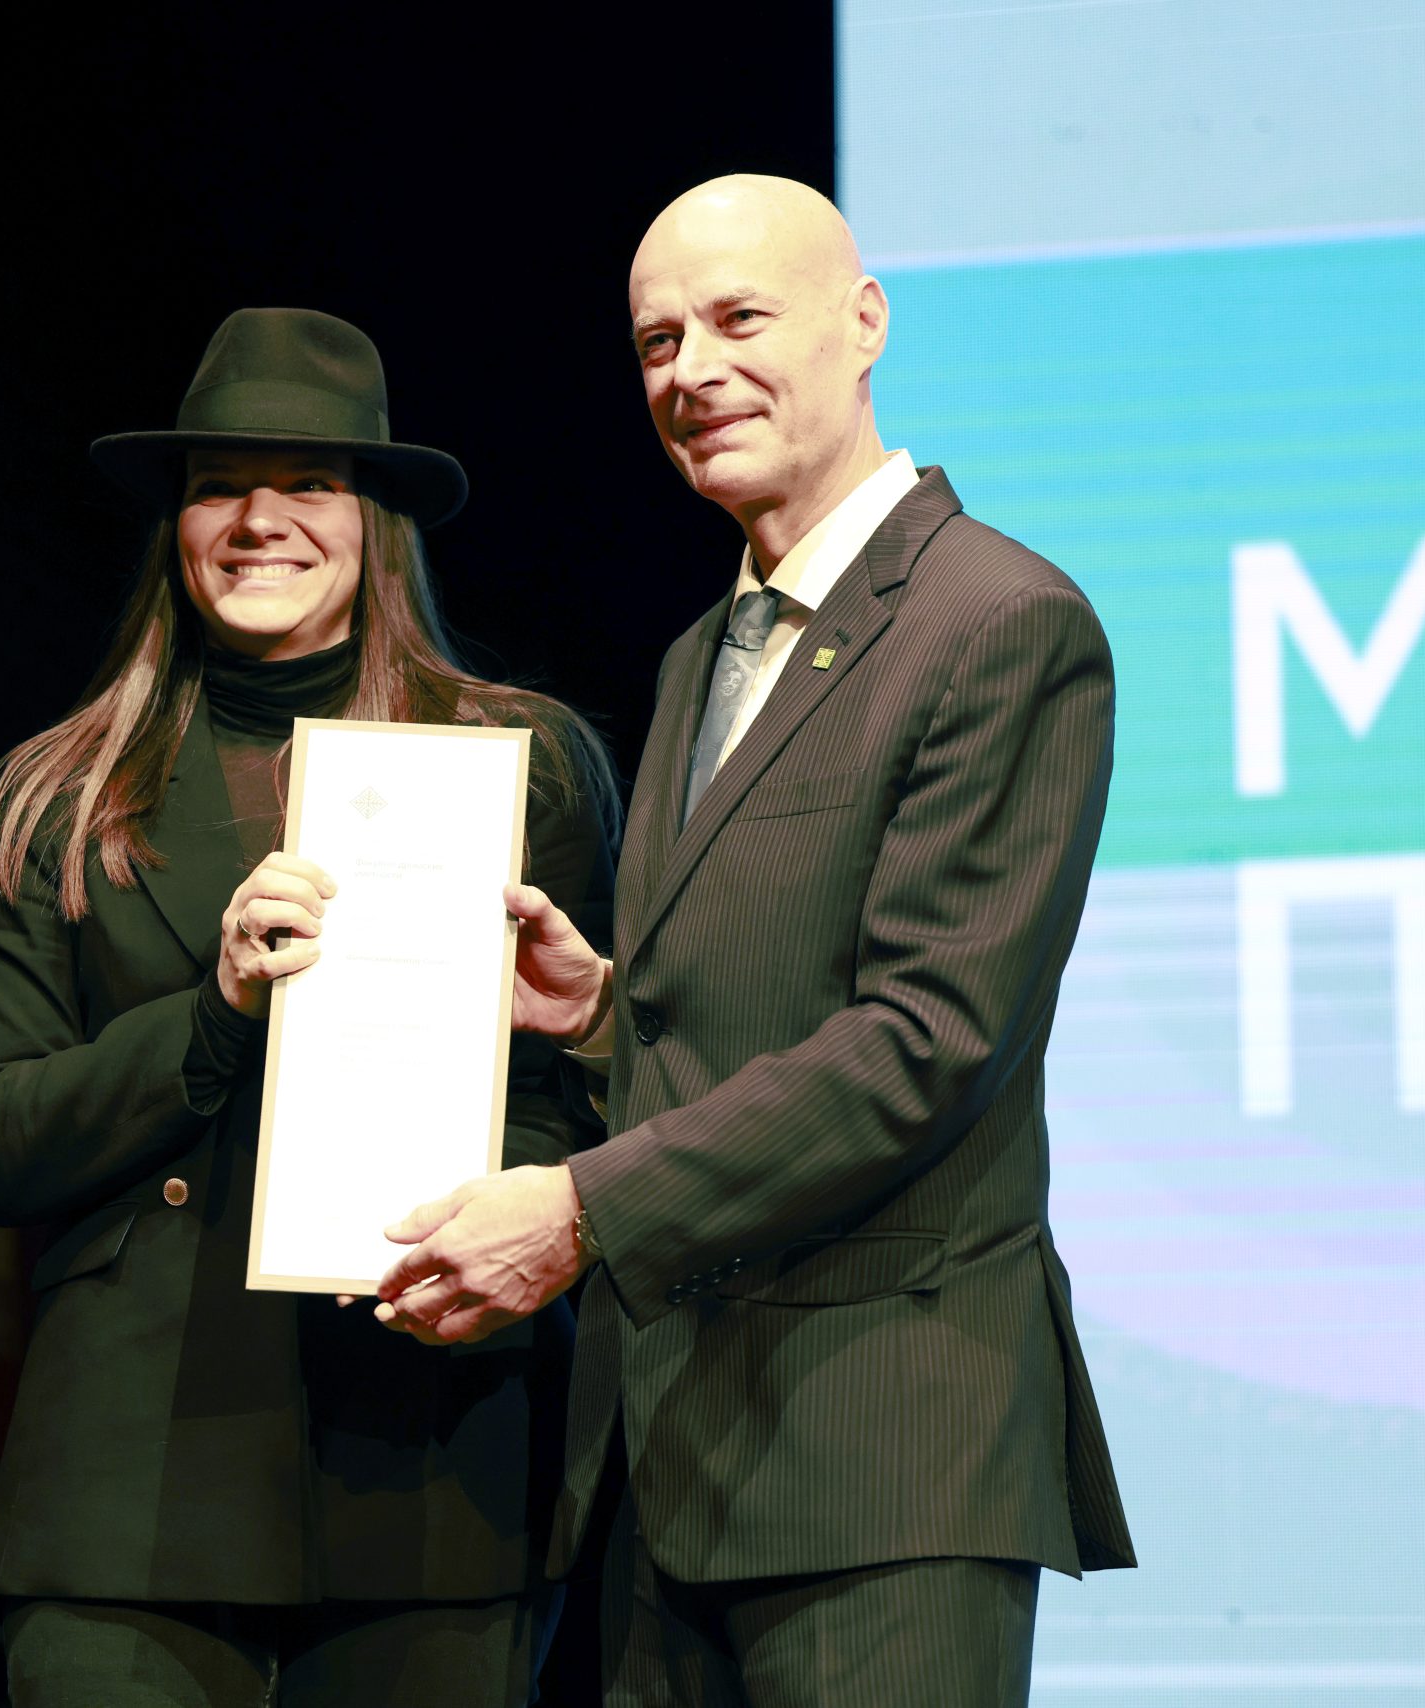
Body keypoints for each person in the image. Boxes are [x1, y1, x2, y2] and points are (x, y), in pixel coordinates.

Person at [367, 177, 1138, 1704]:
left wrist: (579, 1210)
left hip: (883, 1465)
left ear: (865, 323)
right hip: (674, 1463)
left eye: (738, 319)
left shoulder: (999, 621)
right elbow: (770, 998)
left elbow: (926, 1043)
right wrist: (605, 1013)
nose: (693, 372)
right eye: (658, 342)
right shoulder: (699, 657)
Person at [0, 306, 616, 1708]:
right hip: (133, 1475)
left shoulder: (518, 764)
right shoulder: (57, 796)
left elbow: (573, 1112)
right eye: (218, 487)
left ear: (376, 523)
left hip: (432, 1452)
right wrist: (215, 1009)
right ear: (176, 526)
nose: (259, 521)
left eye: (308, 481)